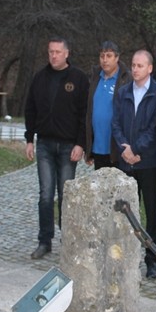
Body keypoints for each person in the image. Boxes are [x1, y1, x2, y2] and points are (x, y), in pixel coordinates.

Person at [24, 37, 89, 259]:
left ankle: (68, 240)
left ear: (67, 53)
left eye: (58, 52)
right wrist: (29, 139)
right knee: (45, 194)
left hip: (68, 146)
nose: (54, 55)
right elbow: (30, 109)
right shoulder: (40, 78)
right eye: (50, 51)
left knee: (66, 195)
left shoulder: (78, 79)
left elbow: (84, 114)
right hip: (44, 143)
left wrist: (81, 143)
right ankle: (45, 240)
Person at [112, 50, 156, 279]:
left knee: (151, 213)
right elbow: (115, 124)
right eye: (133, 65)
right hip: (126, 163)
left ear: (150, 68)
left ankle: (152, 260)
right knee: (125, 212)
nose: (135, 69)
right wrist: (125, 148)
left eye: (140, 65)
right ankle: (124, 256)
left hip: (148, 162)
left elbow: (155, 127)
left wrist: (137, 150)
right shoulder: (123, 93)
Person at [85, 41, 130, 169]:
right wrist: (88, 148)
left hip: (117, 148)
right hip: (98, 147)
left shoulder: (125, 80)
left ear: (117, 58)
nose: (105, 60)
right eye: (102, 56)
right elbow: (88, 113)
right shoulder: (95, 78)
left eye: (109, 56)